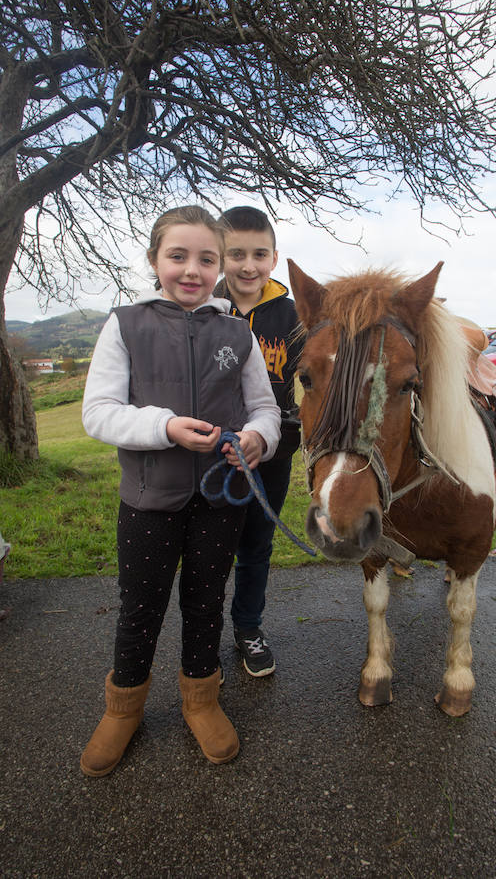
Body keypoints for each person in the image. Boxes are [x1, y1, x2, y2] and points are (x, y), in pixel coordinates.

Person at [80, 205, 281, 777]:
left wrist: (255, 440)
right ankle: (123, 707)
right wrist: (164, 427)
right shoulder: (125, 324)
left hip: (220, 502)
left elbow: (265, 410)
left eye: (206, 259)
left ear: (218, 268)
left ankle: (201, 699)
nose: (192, 270)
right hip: (148, 501)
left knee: (204, 601)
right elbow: (99, 414)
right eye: (178, 256)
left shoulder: (236, 332)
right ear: (154, 260)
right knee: (139, 608)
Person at [214, 206, 303, 678]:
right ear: (220, 255)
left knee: (256, 544)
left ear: (273, 257)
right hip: (210, 452)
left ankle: (248, 627)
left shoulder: (291, 314)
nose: (249, 265)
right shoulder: (204, 308)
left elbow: (313, 376)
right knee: (209, 545)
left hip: (273, 450)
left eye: (259, 254)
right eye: (236, 254)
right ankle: (204, 634)